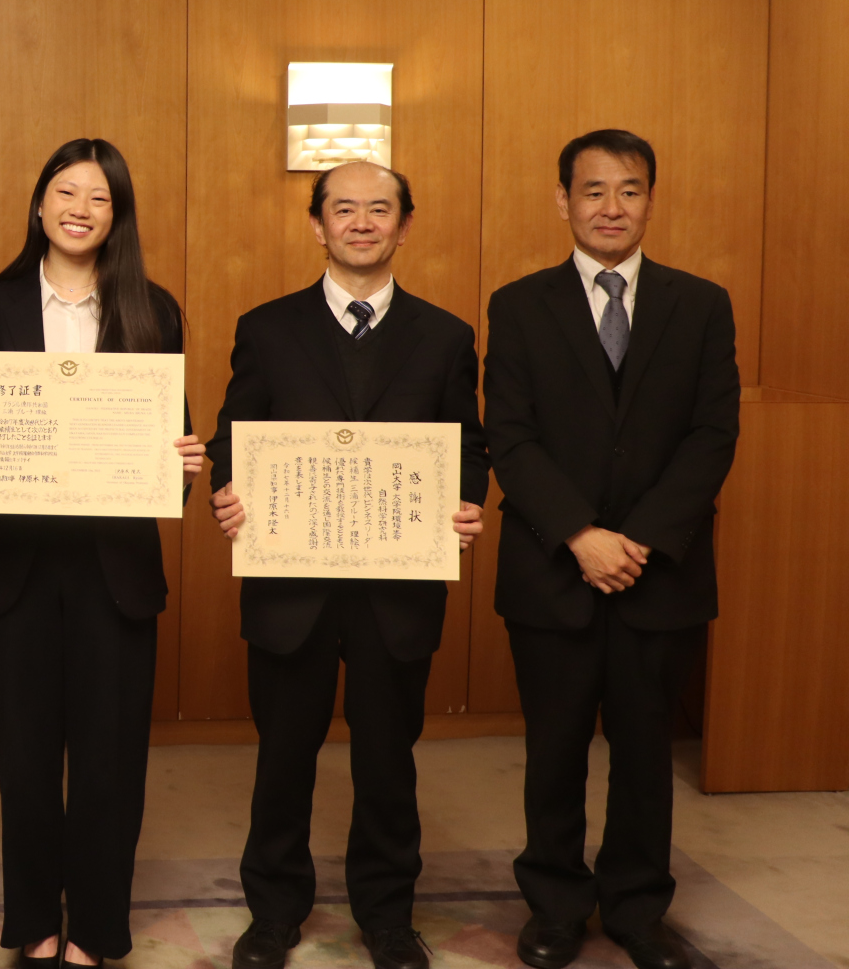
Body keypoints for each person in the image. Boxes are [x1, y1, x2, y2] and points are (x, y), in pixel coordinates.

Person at [205, 160, 489, 969]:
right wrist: (228, 491)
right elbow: (233, 437)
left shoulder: (445, 335)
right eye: (343, 209)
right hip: (289, 587)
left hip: (397, 590)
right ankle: (273, 913)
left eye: (379, 209)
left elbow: (468, 445)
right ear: (317, 225)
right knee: (282, 759)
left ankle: (388, 915)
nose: (361, 223)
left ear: (405, 225)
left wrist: (465, 503)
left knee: (388, 763)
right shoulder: (267, 328)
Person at [0, 139, 203, 969]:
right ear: (40, 203)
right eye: (66, 192)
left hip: (116, 571)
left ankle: (95, 930)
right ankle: (34, 923)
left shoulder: (153, 310)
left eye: (99, 198)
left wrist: (184, 461)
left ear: (118, 216)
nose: (80, 209)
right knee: (24, 763)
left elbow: (171, 449)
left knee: (110, 764)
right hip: (18, 568)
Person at [484, 131, 738, 969]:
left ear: (650, 200)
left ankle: (636, 907)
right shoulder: (519, 305)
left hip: (659, 572)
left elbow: (712, 434)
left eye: (629, 190)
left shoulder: (701, 304)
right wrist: (581, 536)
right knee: (553, 750)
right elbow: (510, 436)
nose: (611, 208)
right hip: (553, 567)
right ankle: (555, 906)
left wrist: (640, 541)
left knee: (644, 752)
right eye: (593, 191)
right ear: (563, 200)